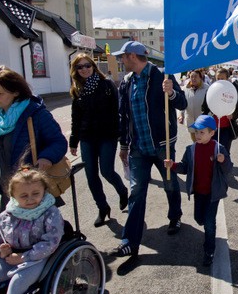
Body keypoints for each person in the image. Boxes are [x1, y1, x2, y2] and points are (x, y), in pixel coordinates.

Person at [114, 41, 187, 258]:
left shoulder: (163, 76)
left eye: (123, 57)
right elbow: (123, 116)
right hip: (138, 147)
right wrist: (124, 145)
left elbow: (181, 103)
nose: (121, 60)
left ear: (133, 57)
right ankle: (129, 240)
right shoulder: (127, 82)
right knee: (136, 191)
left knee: (170, 183)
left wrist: (172, 92)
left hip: (162, 145)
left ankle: (175, 216)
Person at [0, 66, 68, 211]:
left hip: (32, 190)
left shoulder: (36, 114)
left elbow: (57, 141)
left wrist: (46, 157)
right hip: (8, 191)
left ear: (15, 92)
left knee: (43, 230)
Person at [68, 53, 129, 227]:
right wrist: (73, 141)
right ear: (75, 70)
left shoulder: (107, 85)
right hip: (87, 138)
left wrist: (120, 135)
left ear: (93, 67)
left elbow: (117, 111)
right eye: (80, 67)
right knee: (91, 175)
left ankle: (122, 191)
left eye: (88, 65)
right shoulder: (76, 89)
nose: (85, 69)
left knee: (107, 171)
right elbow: (76, 118)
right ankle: (103, 208)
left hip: (107, 136)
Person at [164, 115, 233, 266]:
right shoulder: (191, 149)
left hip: (213, 193)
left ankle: (209, 250)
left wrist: (223, 160)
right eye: (196, 132)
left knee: (209, 223)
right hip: (199, 192)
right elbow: (184, 167)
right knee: (199, 219)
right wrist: (173, 165)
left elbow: (228, 169)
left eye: (202, 132)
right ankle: (208, 232)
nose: (198, 135)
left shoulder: (218, 149)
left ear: (212, 133)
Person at [179, 69, 208, 141]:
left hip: (202, 119)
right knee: (193, 137)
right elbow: (182, 103)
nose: (193, 79)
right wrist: (180, 115)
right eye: (191, 76)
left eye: (195, 77)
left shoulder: (206, 88)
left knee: (203, 138)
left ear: (200, 77)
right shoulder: (185, 88)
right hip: (190, 119)